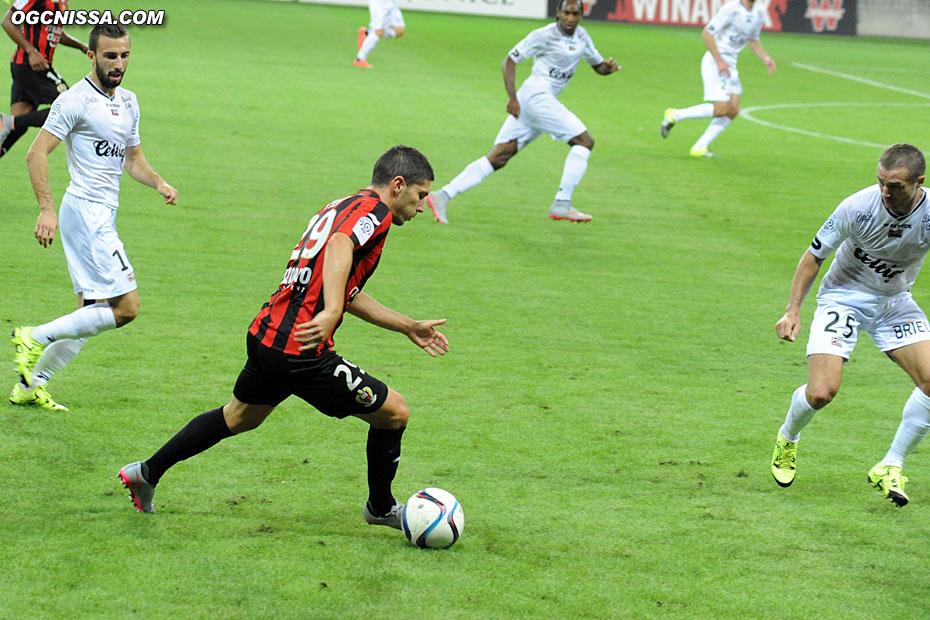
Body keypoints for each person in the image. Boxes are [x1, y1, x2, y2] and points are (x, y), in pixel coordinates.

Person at [119, 145, 448, 531]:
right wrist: (329, 311)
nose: (422, 206)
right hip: (301, 350)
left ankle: (146, 472)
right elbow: (341, 246)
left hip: (266, 334)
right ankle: (380, 506)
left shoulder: (342, 204)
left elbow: (345, 288)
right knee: (394, 413)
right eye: (420, 195)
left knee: (238, 417)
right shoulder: (374, 213)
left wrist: (407, 325)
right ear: (397, 185)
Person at [9, 23, 178, 411]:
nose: (118, 64)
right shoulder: (75, 102)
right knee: (126, 308)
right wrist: (47, 208)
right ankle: (33, 336)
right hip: (85, 213)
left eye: (124, 56)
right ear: (91, 55)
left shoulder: (130, 101)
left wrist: (158, 183)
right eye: (110, 56)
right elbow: (35, 153)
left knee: (94, 313)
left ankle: (31, 385)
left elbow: (132, 159)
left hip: (102, 213)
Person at [771, 143, 928, 507]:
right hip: (843, 299)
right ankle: (788, 437)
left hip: (895, 304)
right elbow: (814, 256)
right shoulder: (857, 206)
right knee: (821, 393)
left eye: (896, 186)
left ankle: (891, 464)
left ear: (919, 181)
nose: (885, 192)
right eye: (880, 182)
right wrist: (792, 310)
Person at [425, 0, 618, 224]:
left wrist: (608, 68)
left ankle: (442, 195)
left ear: (581, 15)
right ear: (558, 12)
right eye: (566, 13)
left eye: (575, 14)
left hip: (537, 104)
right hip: (535, 97)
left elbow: (598, 66)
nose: (570, 18)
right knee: (584, 141)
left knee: (499, 157)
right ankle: (562, 203)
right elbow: (509, 60)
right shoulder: (543, 35)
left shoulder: (582, 36)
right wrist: (512, 98)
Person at [659, 0, 775, 158]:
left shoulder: (759, 12)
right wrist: (719, 61)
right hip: (715, 62)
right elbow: (707, 34)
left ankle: (700, 147)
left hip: (731, 64)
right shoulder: (731, 9)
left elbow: (753, 40)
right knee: (721, 109)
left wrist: (765, 58)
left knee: (733, 110)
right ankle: (675, 114)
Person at [0, 0, 89, 158]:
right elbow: (8, 22)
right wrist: (31, 51)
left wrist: (82, 46)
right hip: (30, 66)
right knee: (69, 107)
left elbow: (54, 32)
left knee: (19, 125)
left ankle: (9, 122)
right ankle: (7, 121)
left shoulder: (61, 2)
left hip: (35, 67)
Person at [353, 0, 405, 69]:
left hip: (390, 3)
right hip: (380, 4)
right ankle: (359, 59)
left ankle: (367, 33)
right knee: (379, 31)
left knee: (399, 30)